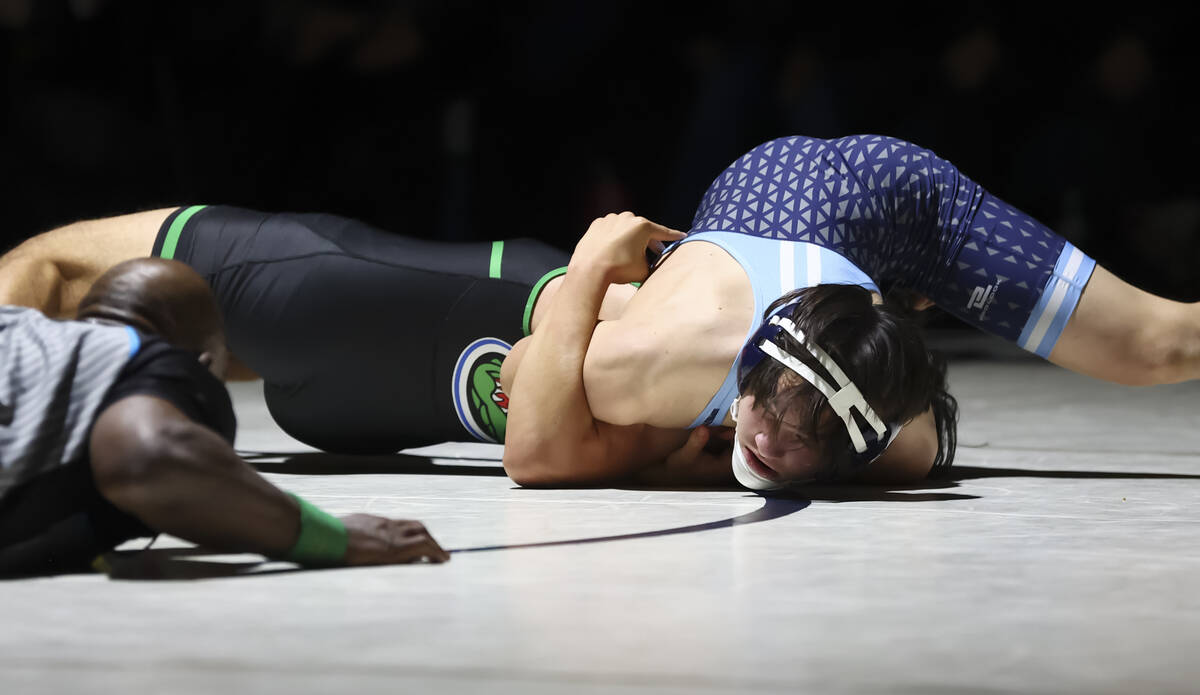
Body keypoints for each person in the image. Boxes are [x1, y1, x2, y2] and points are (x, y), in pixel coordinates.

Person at [499, 134, 1200, 489]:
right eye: (776, 418)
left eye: (799, 435)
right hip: (773, 205)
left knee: (1161, 346)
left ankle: (875, 304)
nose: (766, 444)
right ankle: (876, 307)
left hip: (899, 206)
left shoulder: (896, 447)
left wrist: (591, 266)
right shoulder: (653, 360)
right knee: (562, 308)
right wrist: (585, 274)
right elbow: (522, 371)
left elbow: (535, 446)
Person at [0, 257, 449, 576]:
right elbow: (149, 456)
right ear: (203, 362)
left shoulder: (18, 327)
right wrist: (333, 537)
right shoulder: (146, 361)